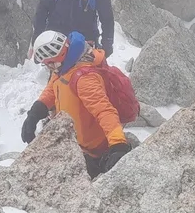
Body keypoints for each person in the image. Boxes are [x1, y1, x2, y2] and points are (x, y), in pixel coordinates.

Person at [20, 30, 132, 179]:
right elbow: (53, 89)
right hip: (78, 144)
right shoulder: (66, 64)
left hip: (94, 151)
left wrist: (118, 144)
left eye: (49, 64)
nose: (49, 68)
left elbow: (104, 110)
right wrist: (34, 114)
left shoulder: (84, 78)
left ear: (56, 59)